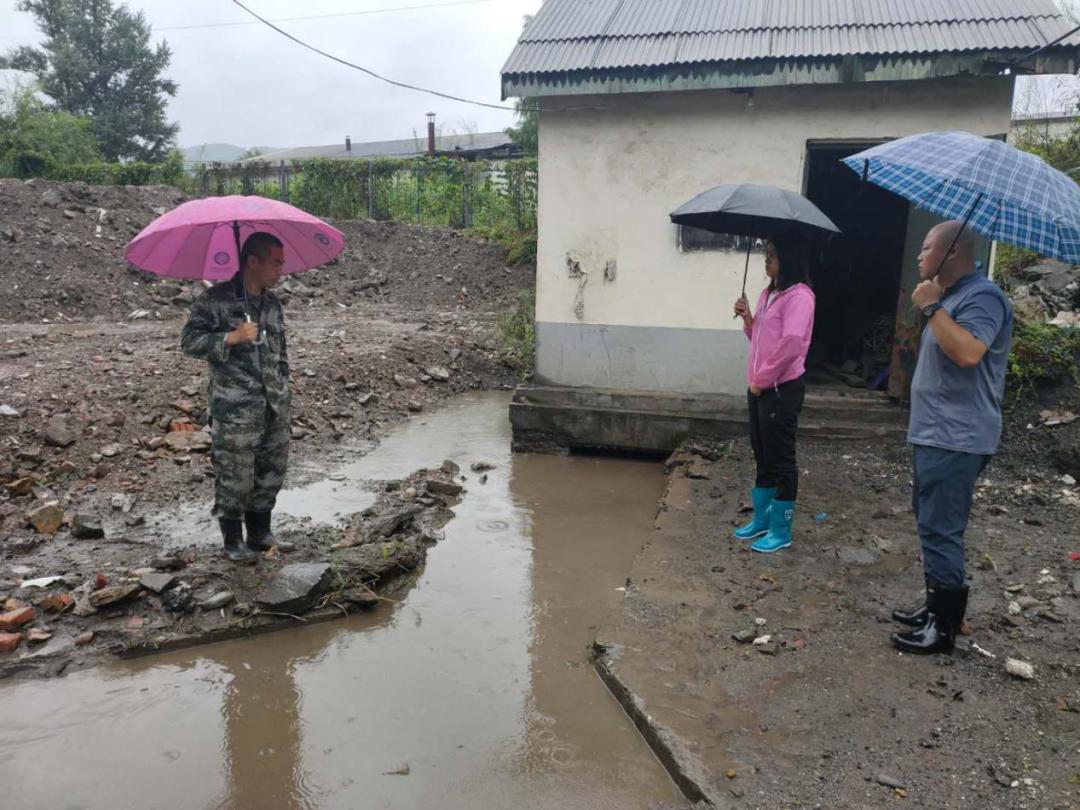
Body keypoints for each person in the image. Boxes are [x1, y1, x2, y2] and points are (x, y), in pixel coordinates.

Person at [890, 221, 1013, 654]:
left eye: (926, 248)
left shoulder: (984, 297)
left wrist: (930, 309)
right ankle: (934, 606)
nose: (920, 257)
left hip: (956, 436)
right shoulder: (952, 296)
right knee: (929, 521)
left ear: (952, 253)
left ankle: (943, 629)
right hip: (936, 433)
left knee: (942, 528)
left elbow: (968, 352)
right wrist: (935, 306)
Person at [181, 232, 291, 562]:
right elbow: (189, 342)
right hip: (235, 409)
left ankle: (260, 532)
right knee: (235, 476)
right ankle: (232, 540)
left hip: (273, 404)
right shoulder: (215, 300)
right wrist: (230, 337)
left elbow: (281, 354)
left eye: (282, 264)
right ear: (252, 262)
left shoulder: (271, 304)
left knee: (270, 472)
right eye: (275, 263)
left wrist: (284, 393)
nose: (280, 271)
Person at [732, 234, 816, 553]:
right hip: (759, 386)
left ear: (790, 259)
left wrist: (763, 379)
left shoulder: (800, 297)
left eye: (773, 255)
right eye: (766, 254)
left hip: (781, 389)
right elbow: (761, 341)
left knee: (781, 458)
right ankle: (762, 520)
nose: (767, 260)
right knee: (762, 453)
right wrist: (749, 319)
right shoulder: (769, 293)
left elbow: (791, 346)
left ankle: (781, 530)